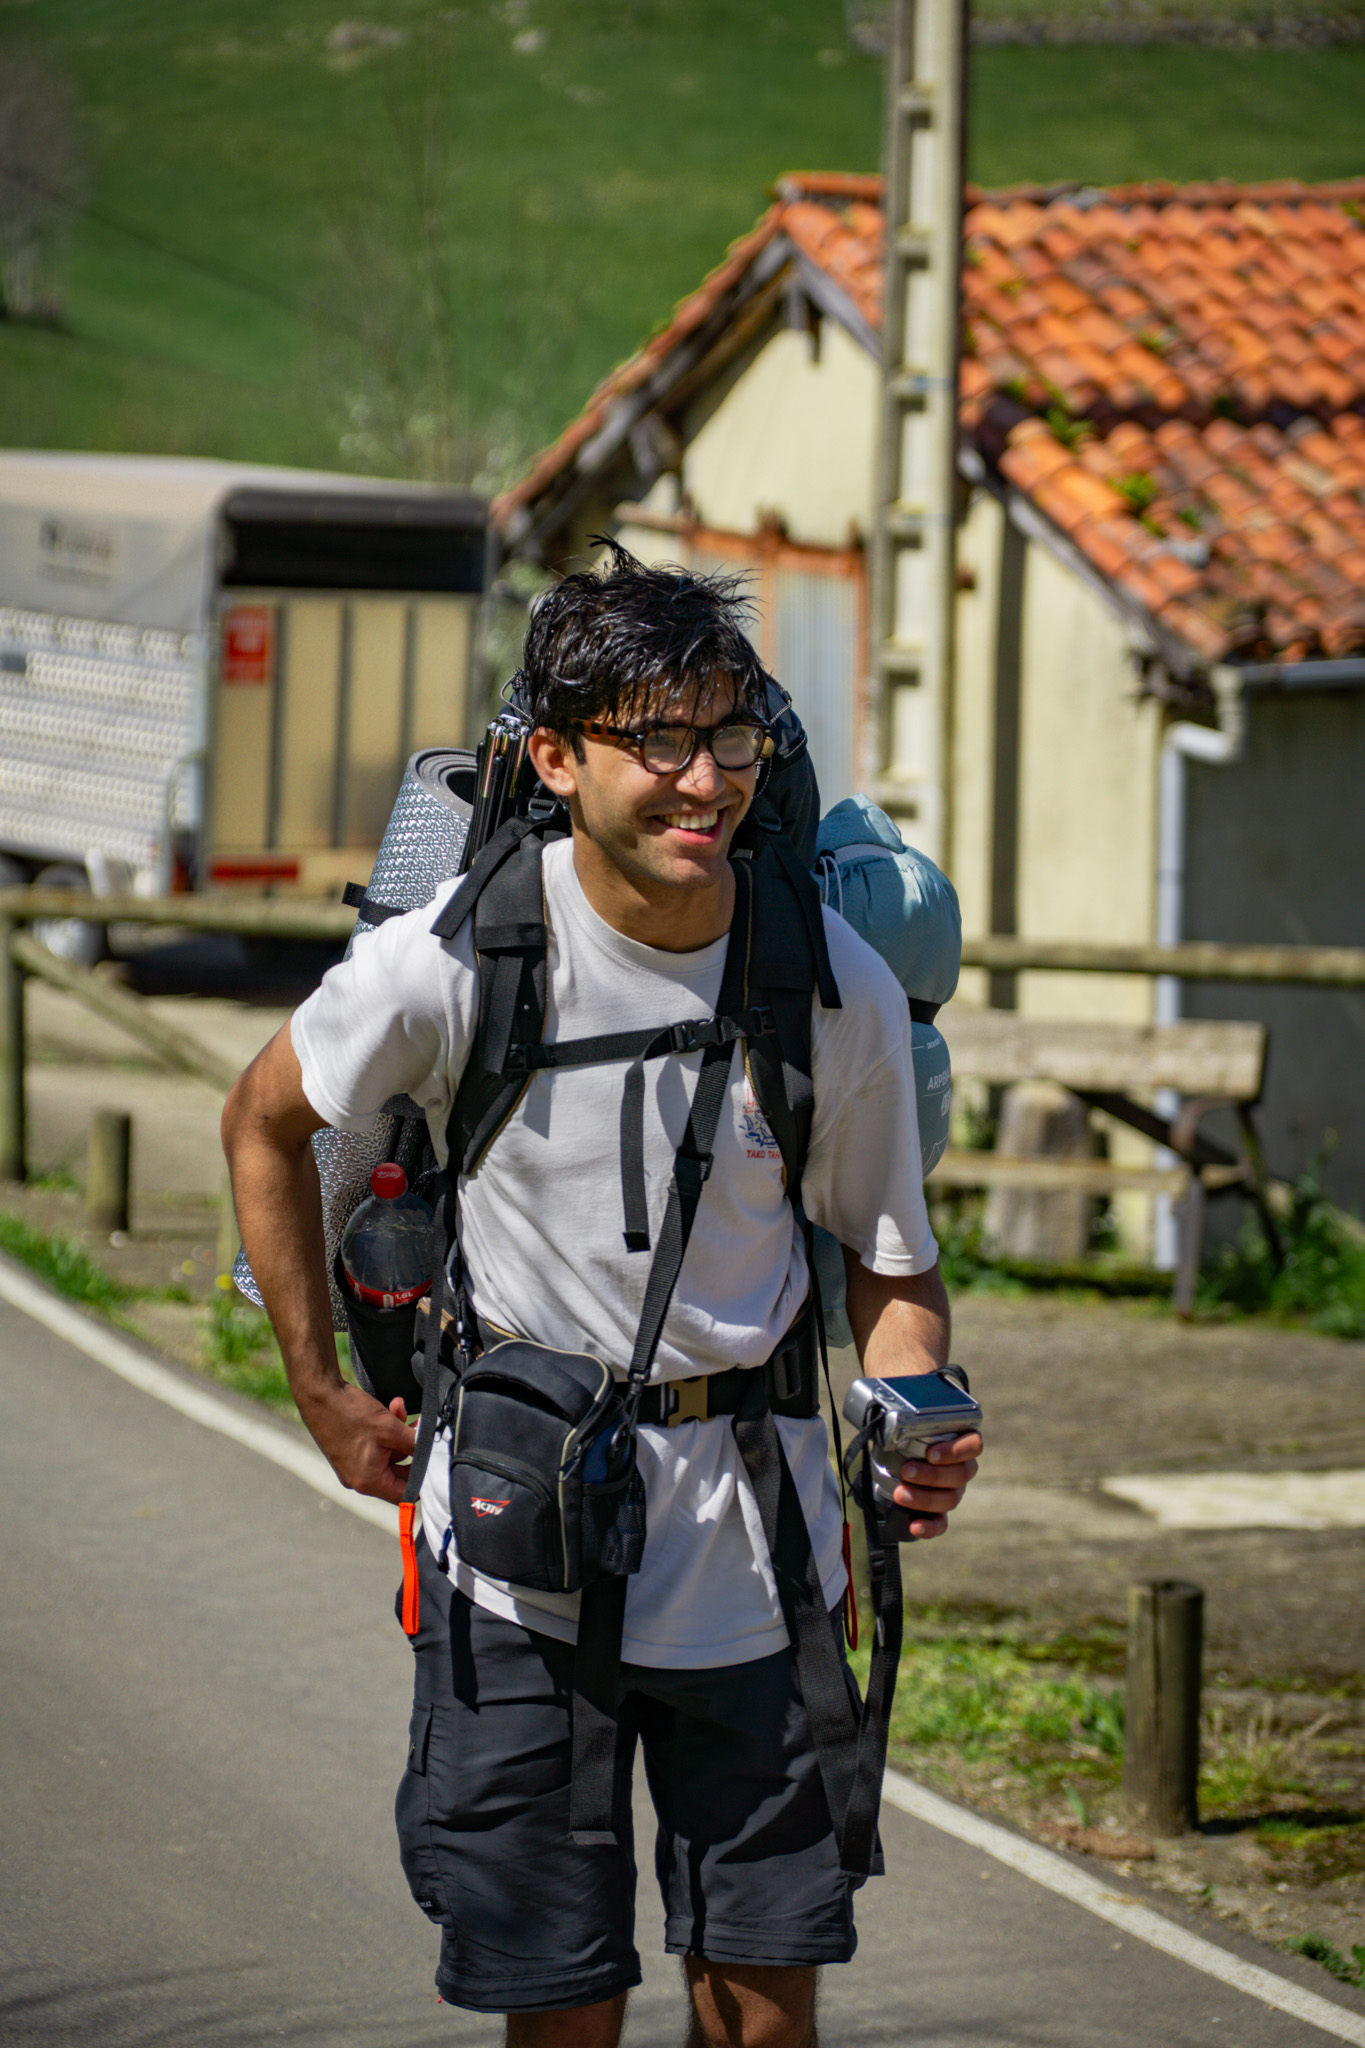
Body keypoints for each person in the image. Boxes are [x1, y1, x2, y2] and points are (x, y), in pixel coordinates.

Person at [222, 546, 982, 2048]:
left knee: (763, 2013)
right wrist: (317, 1387)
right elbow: (265, 1119)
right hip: (515, 1560)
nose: (703, 782)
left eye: (729, 738)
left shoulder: (829, 986)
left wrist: (915, 1398)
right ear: (558, 760)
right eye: (659, 742)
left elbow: (894, 1263)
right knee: (557, 2010)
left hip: (760, 1556)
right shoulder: (448, 967)